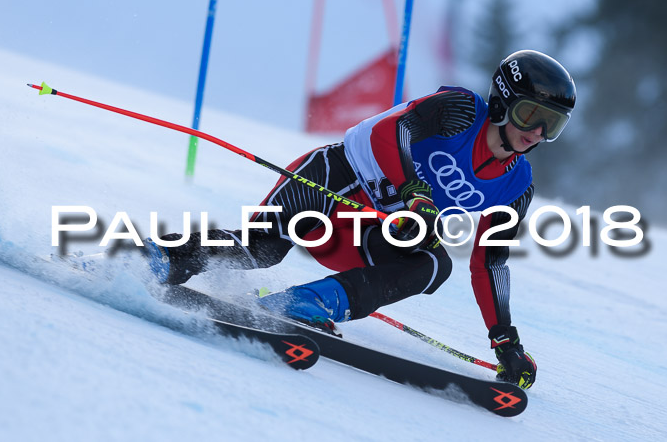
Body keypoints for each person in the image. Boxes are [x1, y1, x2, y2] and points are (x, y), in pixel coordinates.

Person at [146, 50, 576, 389]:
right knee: (261, 249)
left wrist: (505, 339)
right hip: (331, 182)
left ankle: (303, 304)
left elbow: (490, 262)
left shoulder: (517, 186)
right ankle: (161, 258)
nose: (536, 132)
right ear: (502, 102)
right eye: (529, 116)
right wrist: (413, 192)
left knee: (432, 264)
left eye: (550, 125)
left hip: (367, 233)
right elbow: (385, 132)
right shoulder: (461, 110)